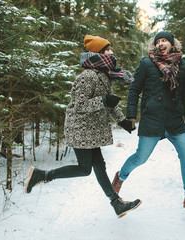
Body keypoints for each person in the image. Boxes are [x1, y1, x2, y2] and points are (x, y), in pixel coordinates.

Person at [25, 35, 141, 218]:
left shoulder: (103, 76)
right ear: (99, 53)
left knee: (99, 166)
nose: (112, 52)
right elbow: (79, 105)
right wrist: (102, 100)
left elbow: (110, 104)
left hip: (90, 130)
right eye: (108, 49)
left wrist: (122, 121)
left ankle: (116, 203)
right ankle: (42, 176)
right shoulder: (87, 76)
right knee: (85, 169)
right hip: (80, 128)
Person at [111, 31, 185, 212]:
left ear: (172, 44)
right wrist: (131, 115)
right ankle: (120, 177)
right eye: (158, 41)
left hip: (174, 121)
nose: (161, 44)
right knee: (140, 158)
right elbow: (134, 90)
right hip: (152, 120)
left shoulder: (183, 66)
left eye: (164, 40)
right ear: (155, 46)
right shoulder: (147, 64)